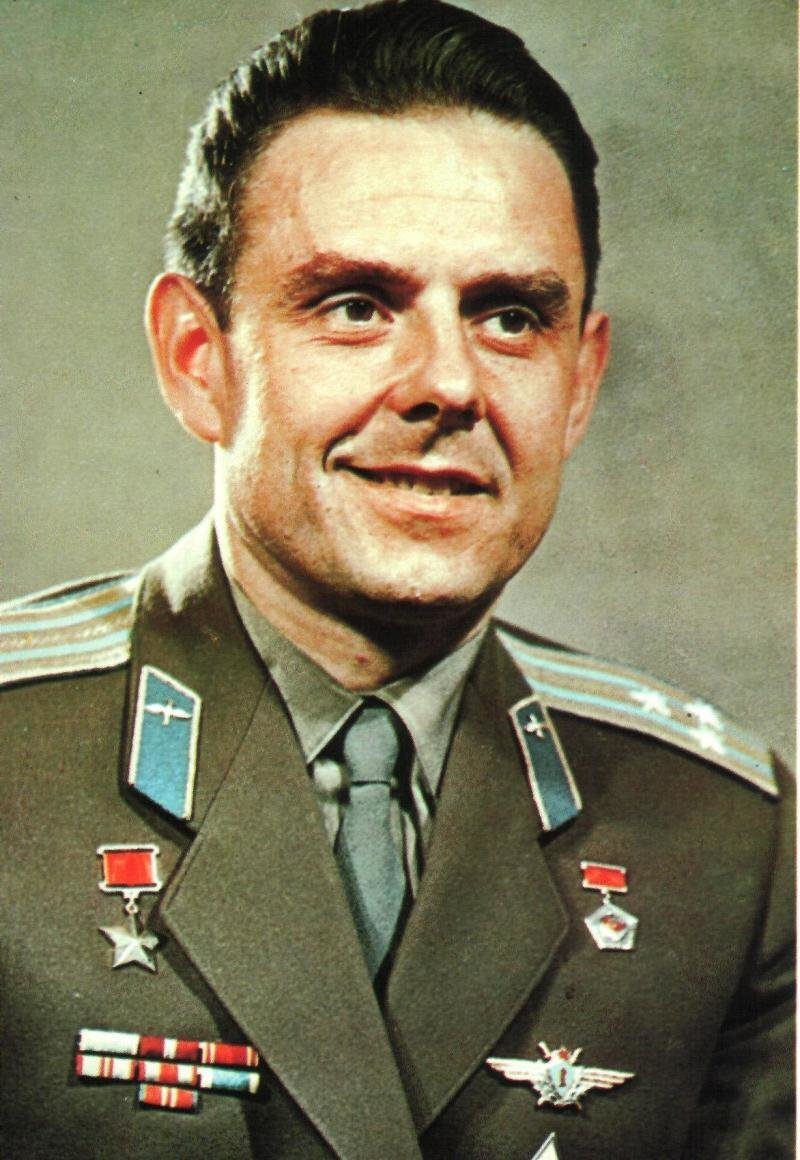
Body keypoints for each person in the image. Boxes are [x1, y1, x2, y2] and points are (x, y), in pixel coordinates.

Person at [0, 2, 792, 1157]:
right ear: (197, 358)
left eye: (509, 317)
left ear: (578, 382)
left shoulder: (720, 843)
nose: (446, 385)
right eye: (356, 306)